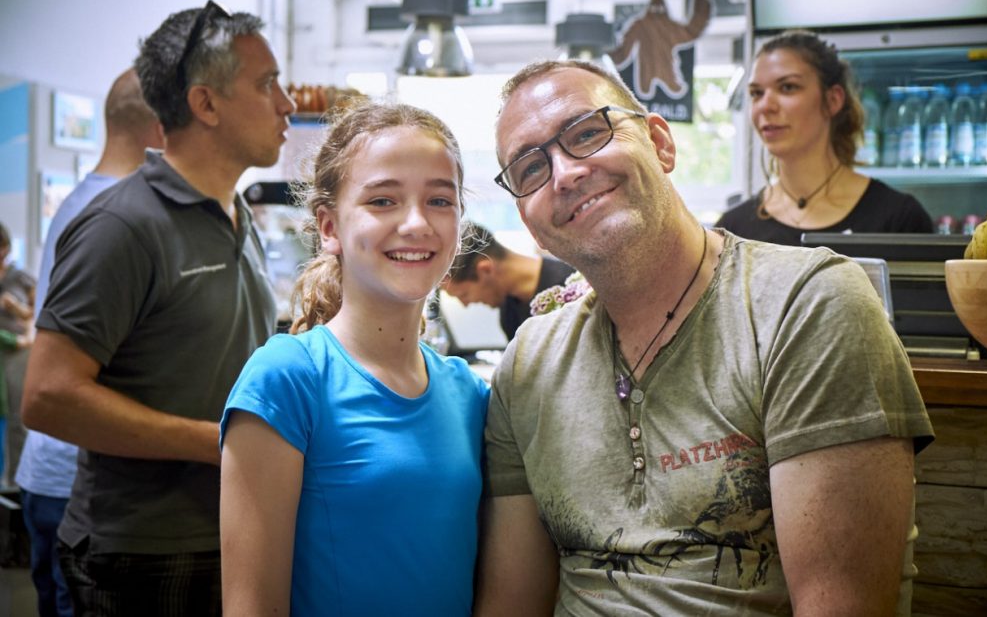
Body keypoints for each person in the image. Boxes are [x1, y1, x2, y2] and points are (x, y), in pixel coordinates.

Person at [475, 59, 934, 616]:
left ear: (660, 144)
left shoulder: (806, 305)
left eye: (588, 134)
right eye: (530, 168)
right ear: (527, 220)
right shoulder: (528, 364)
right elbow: (511, 603)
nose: (565, 173)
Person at [22, 0, 294, 615]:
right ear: (205, 104)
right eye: (265, 83)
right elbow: (47, 395)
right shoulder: (122, 224)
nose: (286, 103)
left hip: (227, 529)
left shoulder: (236, 214)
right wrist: (215, 442)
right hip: (142, 553)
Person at [219, 101, 489, 616]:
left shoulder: (469, 392)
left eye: (439, 200)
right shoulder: (288, 380)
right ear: (329, 227)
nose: (416, 223)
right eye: (383, 200)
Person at [15, 67, 163, 617]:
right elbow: (54, 386)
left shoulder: (94, 201)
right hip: (70, 480)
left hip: (70, 477)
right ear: (160, 125)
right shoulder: (109, 213)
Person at [716, 29, 933, 246]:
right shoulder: (734, 229)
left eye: (787, 87)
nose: (765, 106)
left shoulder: (899, 218)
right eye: (756, 93)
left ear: (832, 100)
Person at [443, 221, 575, 340]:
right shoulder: (509, 313)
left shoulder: (573, 286)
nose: (465, 304)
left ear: (486, 270)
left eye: (463, 295)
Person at [0, 222, 35, 488]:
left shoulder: (19, 277)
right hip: (8, 345)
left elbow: (37, 309)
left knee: (16, 418)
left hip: (17, 353)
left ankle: (15, 482)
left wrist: (18, 310)